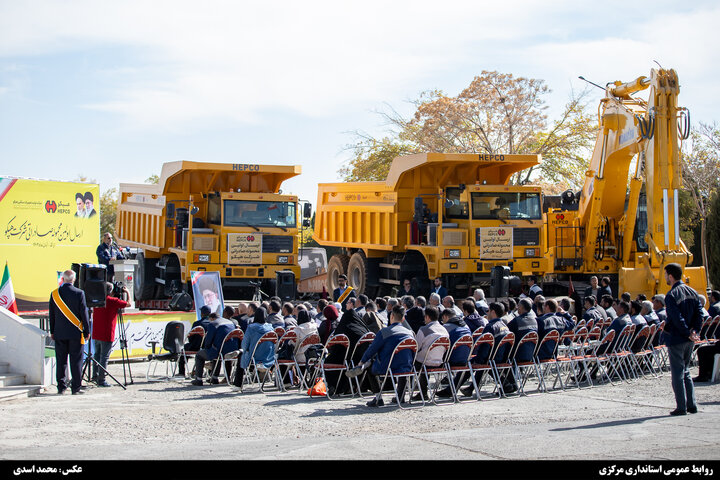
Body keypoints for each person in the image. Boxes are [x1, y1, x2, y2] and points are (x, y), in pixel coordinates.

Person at [349, 305, 415, 407]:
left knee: (369, 365)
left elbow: (372, 349)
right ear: (403, 318)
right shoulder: (410, 333)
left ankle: (378, 398)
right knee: (403, 360)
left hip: (387, 367)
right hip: (407, 367)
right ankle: (401, 396)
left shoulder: (384, 332)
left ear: (391, 316)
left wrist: (362, 361)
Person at [662, 263, 703, 416]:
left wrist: (686, 332)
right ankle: (691, 404)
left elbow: (676, 317)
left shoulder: (672, 295)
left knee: (677, 373)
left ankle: (681, 406)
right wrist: (695, 331)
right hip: (690, 338)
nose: (665, 277)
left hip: (677, 337)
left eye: (666, 274)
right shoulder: (692, 291)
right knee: (686, 371)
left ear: (670, 276)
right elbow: (699, 314)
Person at [49, 269, 90, 395]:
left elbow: (52, 315)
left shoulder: (55, 293)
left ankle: (61, 387)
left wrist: (52, 331)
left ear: (63, 279)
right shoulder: (79, 293)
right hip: (75, 333)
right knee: (76, 361)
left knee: (61, 361)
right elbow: (84, 313)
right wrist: (86, 331)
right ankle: (76, 388)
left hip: (59, 332)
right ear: (74, 279)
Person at [90, 282, 130, 387]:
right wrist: (127, 292)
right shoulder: (112, 301)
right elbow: (128, 304)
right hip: (107, 333)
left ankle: (95, 375)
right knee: (104, 357)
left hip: (97, 332)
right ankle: (101, 379)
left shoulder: (98, 300)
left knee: (97, 355)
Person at [326, 307, 370, 395]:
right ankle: (358, 386)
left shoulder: (343, 328)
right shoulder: (364, 330)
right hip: (364, 359)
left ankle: (335, 386)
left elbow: (334, 347)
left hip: (348, 359)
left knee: (331, 359)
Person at [190, 313, 239, 386]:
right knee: (217, 352)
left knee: (200, 355)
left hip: (219, 352)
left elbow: (208, 341)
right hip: (233, 350)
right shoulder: (231, 323)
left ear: (212, 318)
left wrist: (207, 348)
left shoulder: (213, 324)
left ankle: (199, 379)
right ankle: (214, 377)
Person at [413, 306, 449, 401]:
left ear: (427, 317)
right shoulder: (444, 330)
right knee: (425, 359)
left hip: (424, 362)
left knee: (415, 359)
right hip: (440, 362)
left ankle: (421, 392)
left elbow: (416, 347)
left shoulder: (424, 329)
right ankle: (422, 392)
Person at [233, 307, 274, 389]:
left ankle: (238, 385)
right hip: (269, 357)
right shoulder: (271, 328)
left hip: (254, 357)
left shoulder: (251, 328)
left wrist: (245, 350)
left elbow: (244, 345)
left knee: (241, 355)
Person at [177, 305, 213, 377]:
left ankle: (181, 372)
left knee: (183, 350)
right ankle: (210, 373)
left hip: (195, 347)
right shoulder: (212, 324)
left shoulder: (197, 324)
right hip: (208, 348)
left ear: (202, 313)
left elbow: (191, 338)